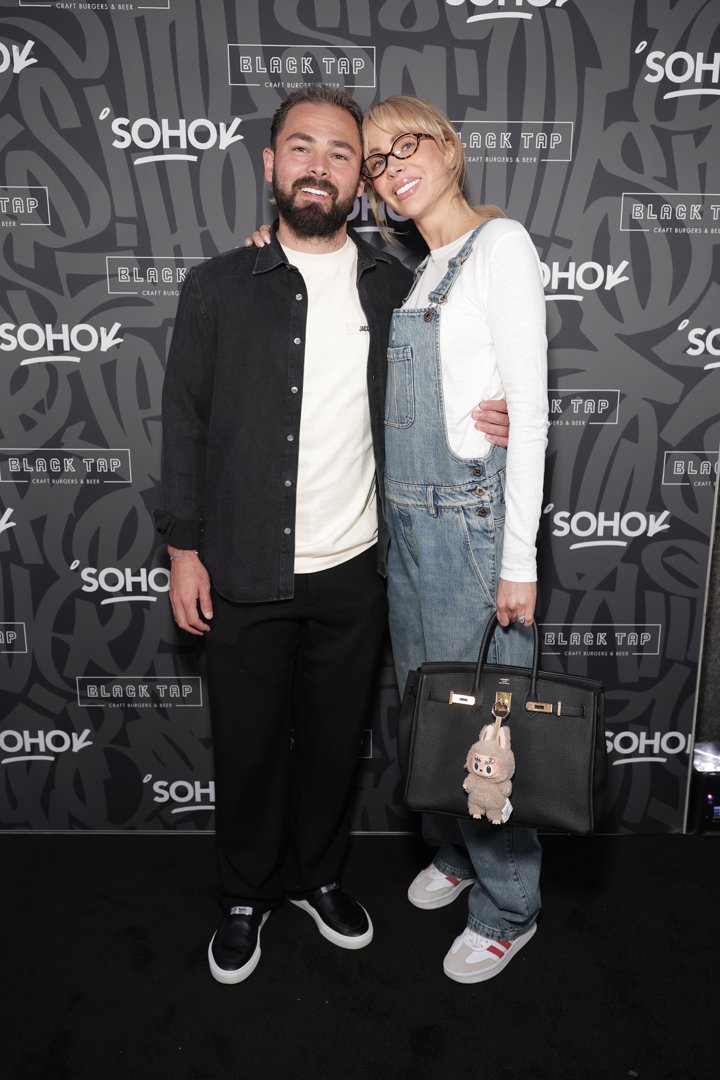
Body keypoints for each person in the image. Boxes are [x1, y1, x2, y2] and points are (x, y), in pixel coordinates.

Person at [156, 83, 510, 986]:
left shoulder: (399, 283)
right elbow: (185, 423)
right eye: (302, 148)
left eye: (343, 153)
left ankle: (317, 878)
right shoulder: (218, 285)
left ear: (360, 180)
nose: (321, 164)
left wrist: (494, 415)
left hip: (359, 568)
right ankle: (246, 894)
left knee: (331, 748)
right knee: (245, 746)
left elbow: (465, 355)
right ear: (272, 165)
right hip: (242, 567)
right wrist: (183, 549)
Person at [361, 96, 549, 984]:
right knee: (425, 711)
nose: (391, 166)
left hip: (468, 527)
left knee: (487, 731)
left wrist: (517, 563)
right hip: (404, 521)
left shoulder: (499, 247)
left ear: (450, 149)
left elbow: (535, 417)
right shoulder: (424, 265)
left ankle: (509, 907)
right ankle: (460, 852)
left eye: (407, 145)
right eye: (374, 159)